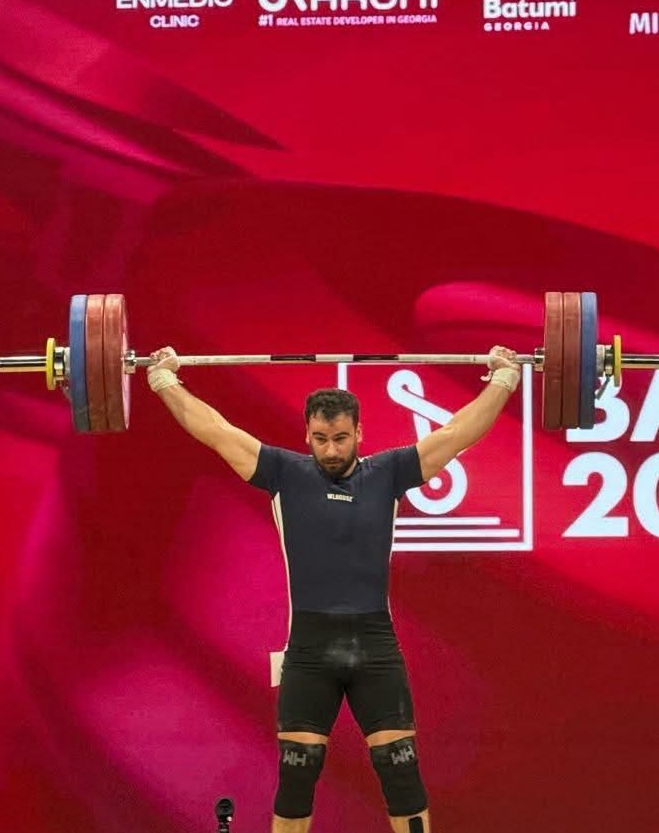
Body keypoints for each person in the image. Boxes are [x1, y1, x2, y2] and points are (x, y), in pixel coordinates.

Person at [144, 344, 522, 833]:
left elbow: (456, 434)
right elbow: (216, 431)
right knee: (297, 776)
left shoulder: (388, 473)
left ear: (359, 433)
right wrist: (165, 382)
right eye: (321, 439)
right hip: (309, 651)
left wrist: (504, 380)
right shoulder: (284, 473)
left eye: (341, 438)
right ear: (307, 434)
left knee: (401, 771)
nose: (331, 450)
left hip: (375, 647)